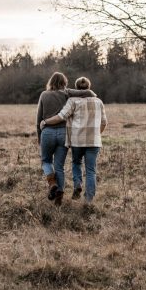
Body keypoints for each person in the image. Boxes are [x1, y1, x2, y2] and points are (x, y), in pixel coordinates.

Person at [40, 76, 107, 204]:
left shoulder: (72, 101)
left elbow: (61, 116)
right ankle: (88, 201)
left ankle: (77, 185)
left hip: (77, 141)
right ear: (88, 87)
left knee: (76, 163)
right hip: (94, 141)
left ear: (76, 88)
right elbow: (104, 123)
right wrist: (96, 135)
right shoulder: (99, 102)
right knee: (91, 170)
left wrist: (45, 121)